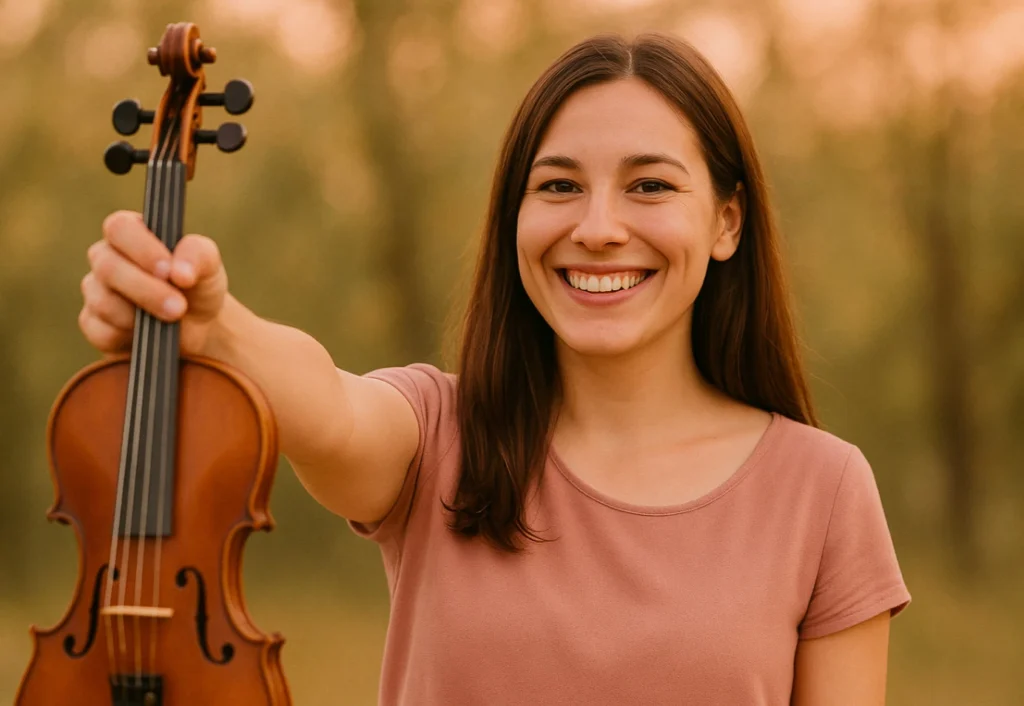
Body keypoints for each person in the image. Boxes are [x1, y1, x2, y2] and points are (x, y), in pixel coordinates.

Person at [79, 32, 911, 706]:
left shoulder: (824, 490)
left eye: (649, 186)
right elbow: (330, 404)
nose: (597, 227)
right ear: (515, 217)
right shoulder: (438, 439)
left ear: (727, 222)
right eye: (558, 186)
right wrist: (216, 325)